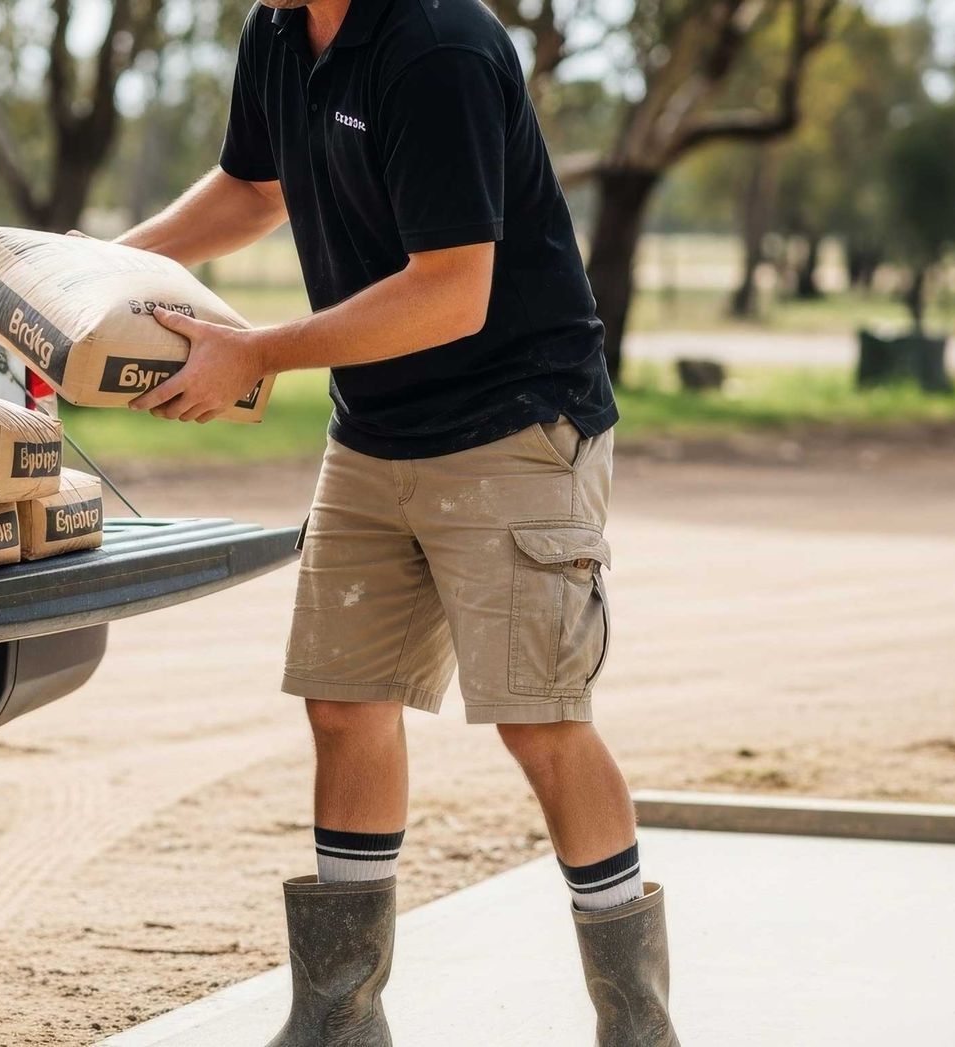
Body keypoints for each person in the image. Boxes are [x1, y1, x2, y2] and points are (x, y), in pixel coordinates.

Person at [115, 0, 677, 1042]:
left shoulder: (439, 46)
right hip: (375, 428)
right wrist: (104, 266)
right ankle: (338, 1022)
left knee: (541, 721)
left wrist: (256, 353)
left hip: (517, 422)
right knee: (343, 703)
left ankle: (636, 1024)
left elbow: (451, 294)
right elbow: (249, 189)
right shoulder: (278, 31)